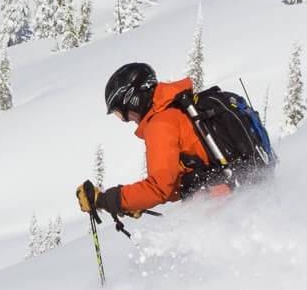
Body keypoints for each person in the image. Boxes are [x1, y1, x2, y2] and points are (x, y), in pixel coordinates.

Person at [77, 63, 233, 221]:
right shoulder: (177, 111)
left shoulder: (160, 124)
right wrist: (135, 202)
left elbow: (159, 188)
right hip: (232, 188)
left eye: (121, 113)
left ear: (133, 100)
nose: (126, 120)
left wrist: (105, 200)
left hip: (221, 203)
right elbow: (175, 183)